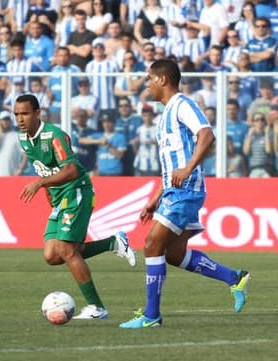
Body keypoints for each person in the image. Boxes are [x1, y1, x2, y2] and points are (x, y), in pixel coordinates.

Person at [119, 60, 250, 329]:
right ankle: (234, 278)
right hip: (174, 191)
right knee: (173, 254)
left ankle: (151, 315)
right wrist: (156, 198)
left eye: (149, 79)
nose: (147, 85)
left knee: (151, 245)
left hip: (186, 191)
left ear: (163, 79)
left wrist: (189, 167)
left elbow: (206, 134)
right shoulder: (164, 116)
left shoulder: (182, 104)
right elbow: (171, 166)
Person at [15, 94, 137, 320]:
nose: (20, 119)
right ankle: (113, 242)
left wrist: (40, 183)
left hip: (77, 189)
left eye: (24, 113)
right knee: (52, 256)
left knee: (66, 249)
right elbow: (43, 168)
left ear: (37, 113)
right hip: (59, 194)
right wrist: (47, 191)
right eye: (17, 114)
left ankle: (97, 308)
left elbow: (70, 170)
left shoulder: (55, 136)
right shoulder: (23, 138)